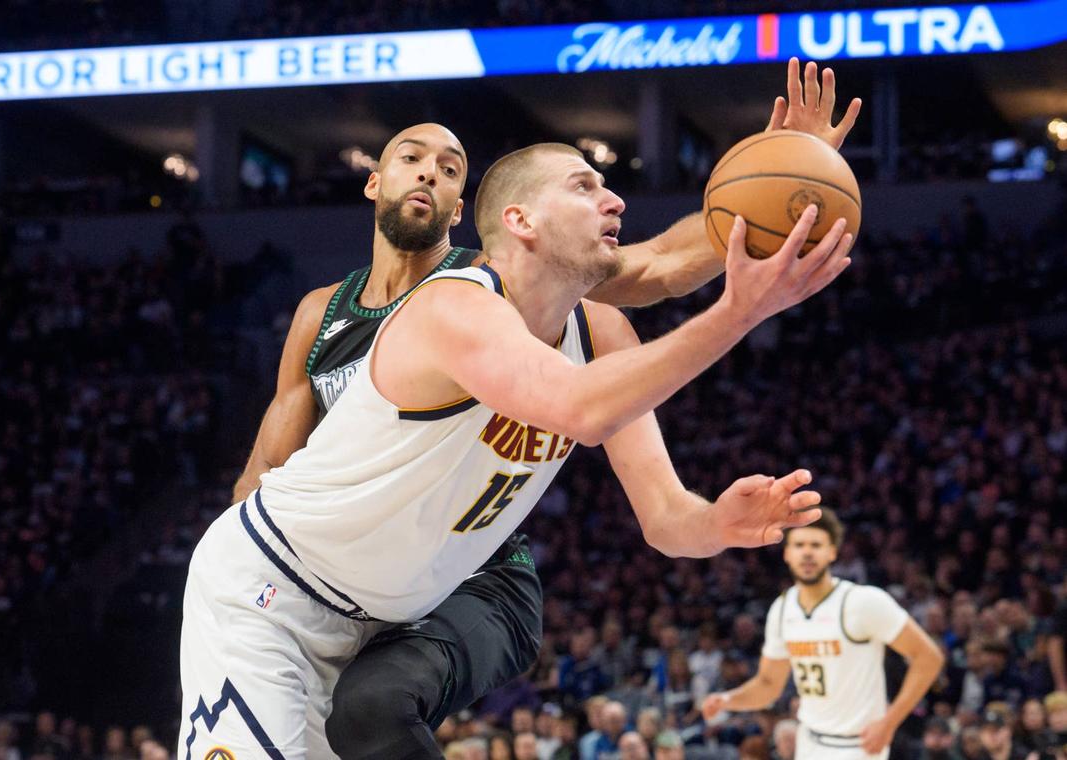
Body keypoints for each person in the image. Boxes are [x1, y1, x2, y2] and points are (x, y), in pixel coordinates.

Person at [226, 58, 861, 760]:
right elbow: (267, 475)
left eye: (450, 167)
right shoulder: (326, 315)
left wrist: (786, 178)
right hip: (357, 567)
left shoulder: (501, 284)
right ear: (373, 179)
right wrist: (245, 598)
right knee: (341, 730)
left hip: (475, 568)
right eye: (412, 157)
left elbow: (657, 265)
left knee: (373, 711)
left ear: (468, 210)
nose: (430, 173)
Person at [701, 509, 946, 760]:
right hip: (809, 741)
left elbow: (929, 657)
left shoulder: (862, 602)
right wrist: (727, 700)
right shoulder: (782, 608)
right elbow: (768, 685)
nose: (807, 552)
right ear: (787, 554)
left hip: (859, 745)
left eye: (816, 545)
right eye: (799, 545)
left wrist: (889, 722)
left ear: (832, 552)